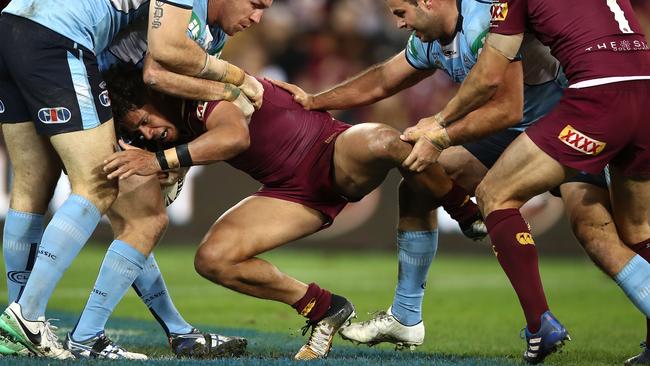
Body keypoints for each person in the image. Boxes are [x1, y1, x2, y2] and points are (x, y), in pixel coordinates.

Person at [270, 0, 644, 363]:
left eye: (401, 13)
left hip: (566, 119)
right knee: (421, 179)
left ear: (428, 2)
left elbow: (506, 105)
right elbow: (385, 78)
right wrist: (316, 101)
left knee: (594, 232)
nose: (399, 24)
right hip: (527, 127)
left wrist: (439, 130)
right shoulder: (432, 39)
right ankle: (405, 317)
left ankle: (538, 321)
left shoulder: (488, 16)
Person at [101, 63, 485, 360]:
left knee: (385, 140)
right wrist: (161, 165)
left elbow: (235, 137)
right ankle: (324, 307)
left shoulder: (202, 89)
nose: (149, 134)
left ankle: (463, 210)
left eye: (147, 121)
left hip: (331, 147)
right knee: (212, 259)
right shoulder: (175, 125)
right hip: (291, 193)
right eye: (142, 131)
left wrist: (159, 161)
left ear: (158, 96)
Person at [0, 0, 267, 359]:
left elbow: (168, 79)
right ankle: (36, 320)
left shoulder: (211, 34)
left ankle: (19, 328)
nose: (257, 17)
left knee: (32, 188)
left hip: (15, 24)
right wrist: (236, 82)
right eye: (255, 3)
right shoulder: (188, 10)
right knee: (111, 195)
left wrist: (175, 158)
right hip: (65, 43)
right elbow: (159, 67)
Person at [395, 0, 650, 363]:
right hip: (645, 87)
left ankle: (539, 325)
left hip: (597, 97)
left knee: (496, 193)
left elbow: (489, 76)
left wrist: (438, 124)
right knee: (637, 230)